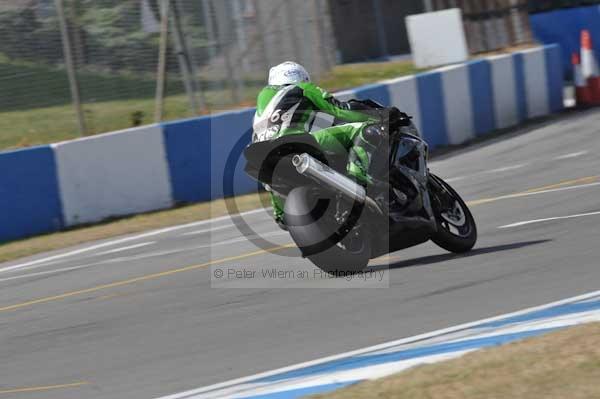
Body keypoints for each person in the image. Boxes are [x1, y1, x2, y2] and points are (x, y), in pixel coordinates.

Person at [252, 61, 395, 227]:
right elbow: (340, 110)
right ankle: (357, 177)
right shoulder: (302, 88)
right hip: (297, 142)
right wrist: (378, 116)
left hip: (262, 151)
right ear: (301, 77)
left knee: (270, 172)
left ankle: (280, 212)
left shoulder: (259, 110)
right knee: (364, 130)